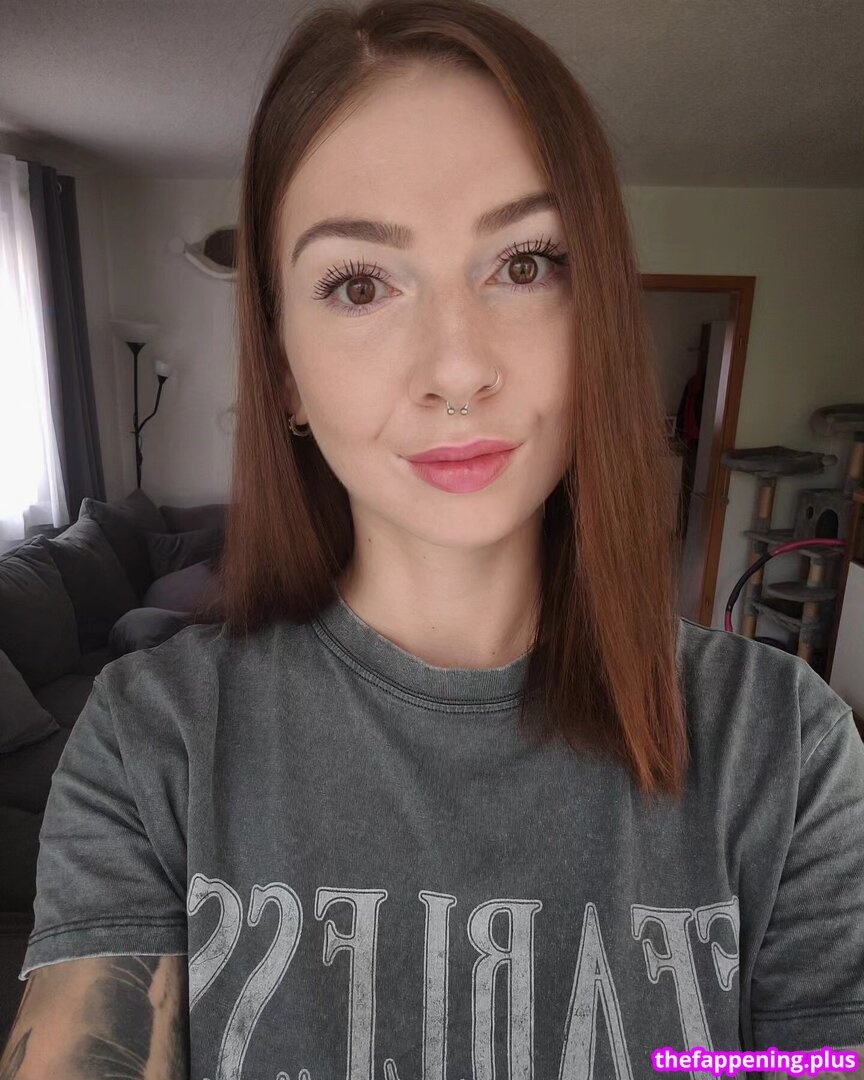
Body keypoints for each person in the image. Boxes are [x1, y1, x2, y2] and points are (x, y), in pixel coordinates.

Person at [3, 0, 864, 1076]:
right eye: (359, 284)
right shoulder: (152, 743)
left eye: (526, 263)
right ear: (284, 371)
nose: (457, 368)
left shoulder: (784, 746)